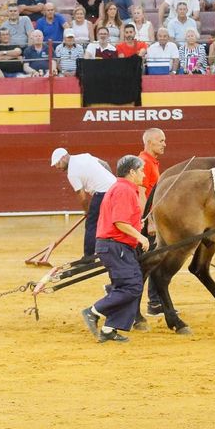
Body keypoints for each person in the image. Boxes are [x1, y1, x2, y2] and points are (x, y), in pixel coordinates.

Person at [80, 154, 149, 344]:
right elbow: (119, 222)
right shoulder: (124, 190)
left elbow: (122, 220)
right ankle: (93, 311)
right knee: (133, 286)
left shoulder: (120, 188)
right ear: (132, 172)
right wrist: (139, 236)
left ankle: (109, 329)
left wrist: (136, 226)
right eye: (141, 170)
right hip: (115, 245)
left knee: (125, 285)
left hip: (113, 245)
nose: (143, 174)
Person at [50, 146, 118, 262]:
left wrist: (87, 211)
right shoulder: (85, 156)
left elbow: (82, 196)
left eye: (58, 163)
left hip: (102, 192)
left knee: (91, 223)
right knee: (115, 220)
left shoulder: (72, 173)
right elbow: (105, 164)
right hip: (116, 187)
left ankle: (89, 256)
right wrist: (111, 179)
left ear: (64, 158)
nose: (58, 167)